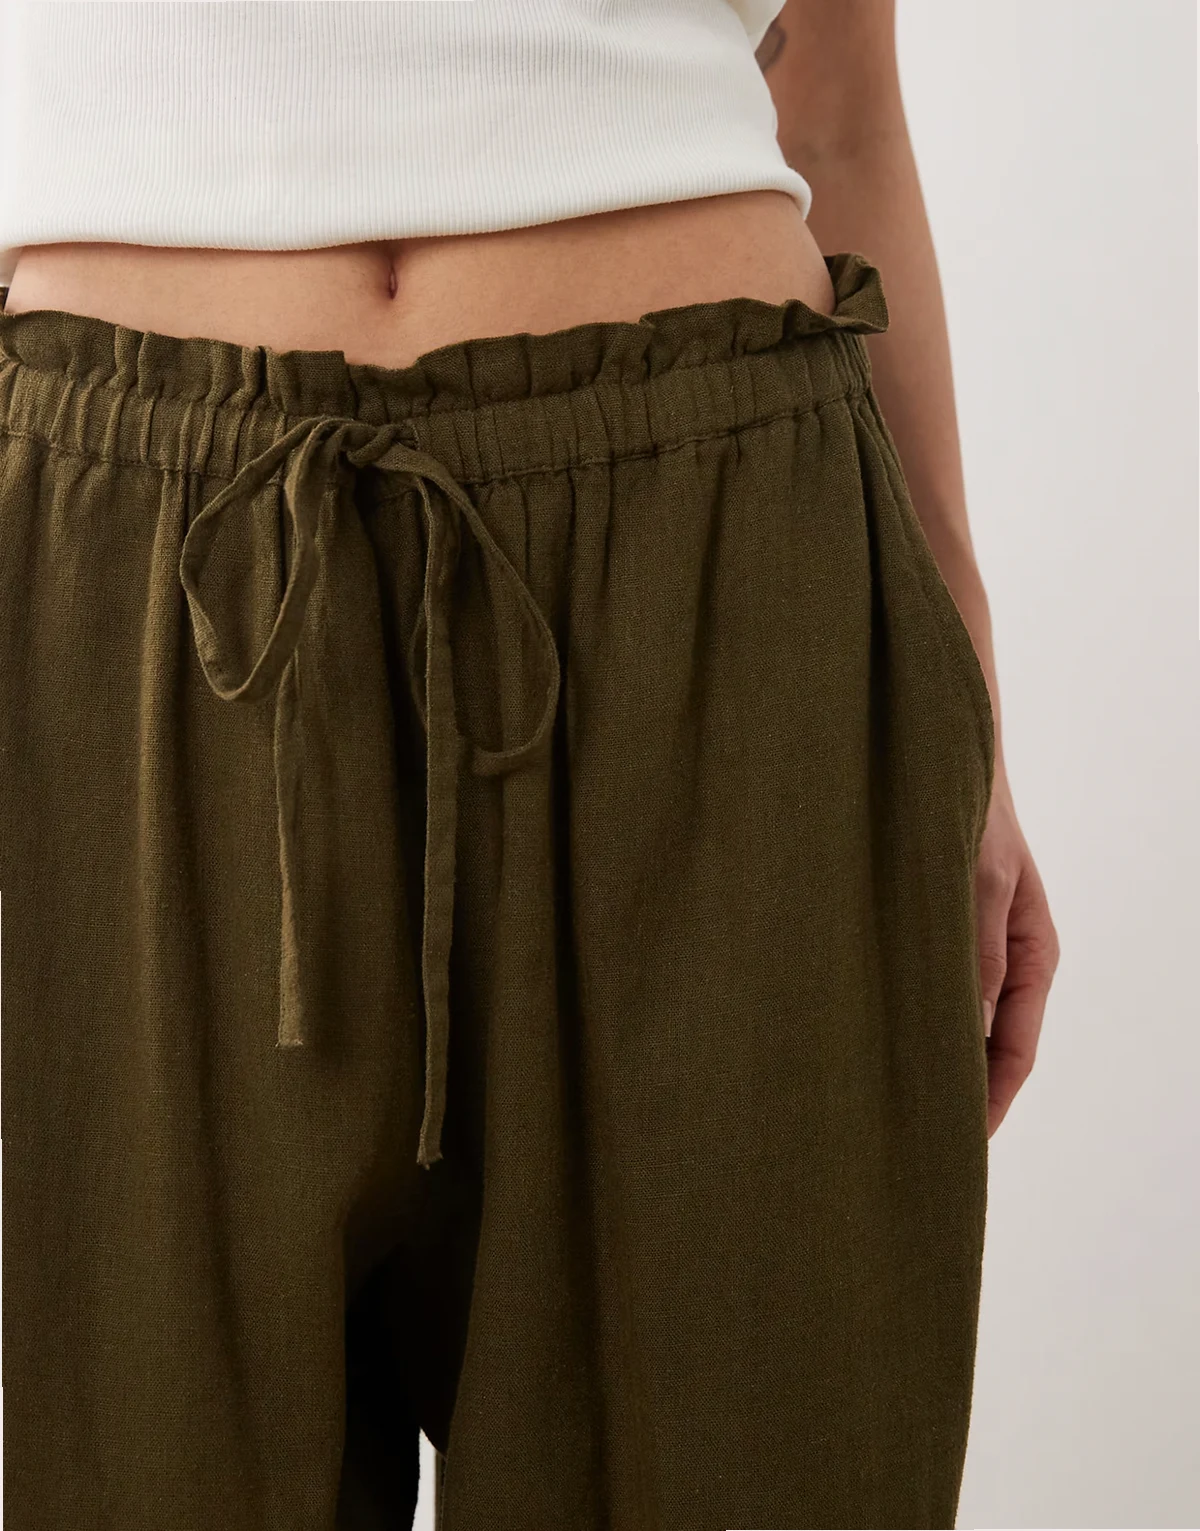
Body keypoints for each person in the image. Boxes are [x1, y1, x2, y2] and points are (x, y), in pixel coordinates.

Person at [0, 2, 1059, 1528]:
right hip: (130, 595)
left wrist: (963, 700)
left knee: (740, 1451)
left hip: (717, 571)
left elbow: (838, 116)